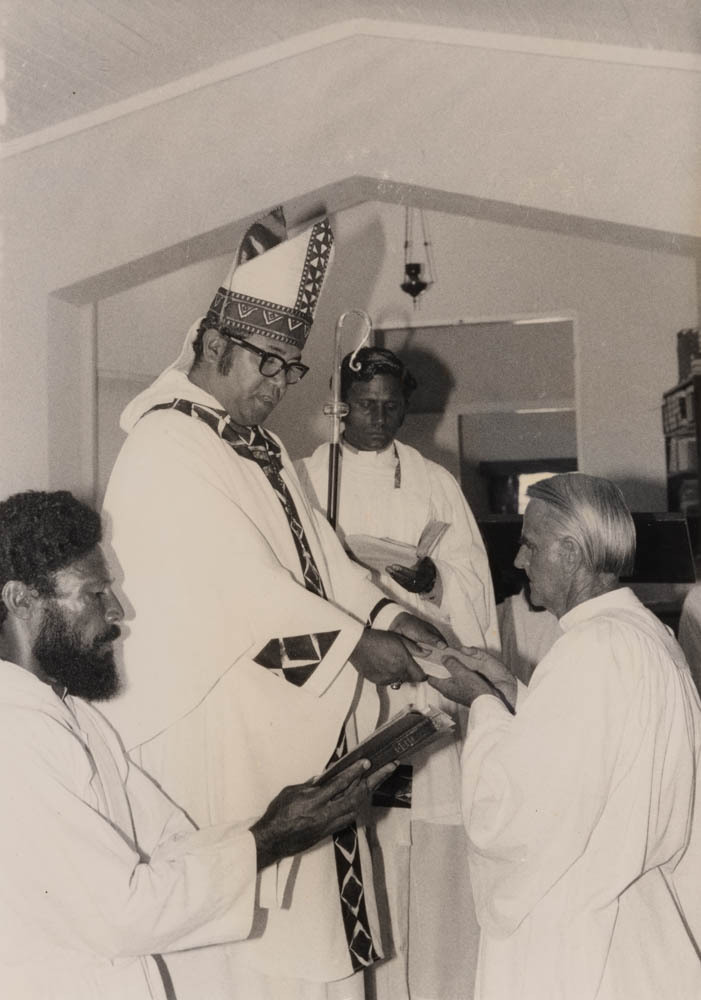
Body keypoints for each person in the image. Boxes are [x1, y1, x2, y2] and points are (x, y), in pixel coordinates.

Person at [100, 214, 444, 1000]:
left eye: (292, 369)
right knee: (245, 957)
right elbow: (232, 586)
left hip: (280, 718)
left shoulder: (258, 447)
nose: (279, 385)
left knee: (302, 937)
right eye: (268, 363)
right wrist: (353, 645)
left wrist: (391, 619)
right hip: (215, 730)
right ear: (214, 344)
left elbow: (322, 559)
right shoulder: (166, 446)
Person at [0, 489, 395, 1000]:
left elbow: (168, 843)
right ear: (20, 599)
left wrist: (295, 817)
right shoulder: (15, 735)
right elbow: (122, 915)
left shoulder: (70, 715)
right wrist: (271, 838)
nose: (119, 611)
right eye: (95, 594)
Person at [428, 473, 701, 1000]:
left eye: (530, 545)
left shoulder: (591, 651)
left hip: (579, 928)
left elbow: (517, 817)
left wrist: (482, 703)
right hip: (634, 915)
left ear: (572, 553)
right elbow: (587, 759)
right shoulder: (643, 632)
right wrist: (509, 687)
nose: (518, 562)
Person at [297, 347, 499, 1000]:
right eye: (364, 405)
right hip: (349, 689)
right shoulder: (305, 478)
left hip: (422, 686)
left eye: (391, 405)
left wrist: (433, 580)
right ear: (340, 404)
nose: (378, 418)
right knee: (359, 853)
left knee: (427, 875)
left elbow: (471, 577)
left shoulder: (432, 481)